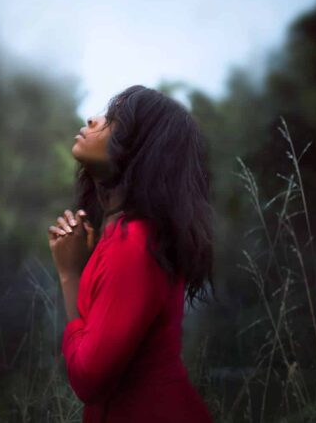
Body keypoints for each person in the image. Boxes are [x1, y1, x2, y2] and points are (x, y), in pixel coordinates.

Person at [47, 85, 216, 422]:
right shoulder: (126, 236)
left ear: (140, 150)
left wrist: (70, 276)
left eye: (113, 120)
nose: (93, 119)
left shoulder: (135, 243)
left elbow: (89, 379)